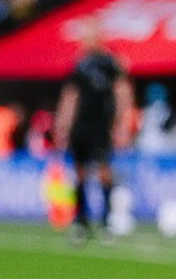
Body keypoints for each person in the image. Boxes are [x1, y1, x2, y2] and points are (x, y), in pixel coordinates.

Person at [53, 26, 133, 241]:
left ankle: (107, 220)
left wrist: (122, 124)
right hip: (81, 127)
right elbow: (70, 96)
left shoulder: (109, 63)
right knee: (79, 174)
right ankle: (81, 221)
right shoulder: (79, 65)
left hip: (101, 126)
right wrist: (63, 125)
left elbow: (122, 92)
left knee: (103, 172)